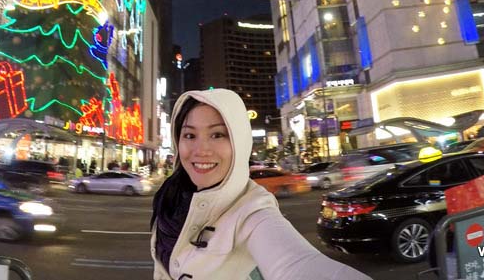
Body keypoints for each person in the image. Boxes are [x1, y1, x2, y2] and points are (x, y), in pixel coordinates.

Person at [150, 89, 370, 280]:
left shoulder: (253, 211)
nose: (200, 149)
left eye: (217, 134)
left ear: (240, 141)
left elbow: (298, 264)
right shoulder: (170, 195)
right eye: (190, 135)